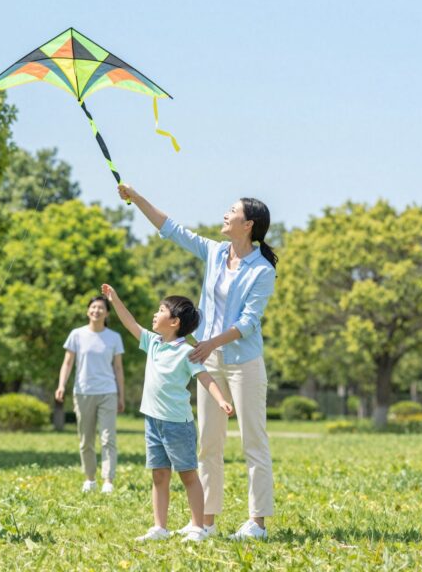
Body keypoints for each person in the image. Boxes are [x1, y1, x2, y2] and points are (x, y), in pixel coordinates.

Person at [118, 183, 277, 541]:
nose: (225, 214)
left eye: (232, 210)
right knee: (208, 442)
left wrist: (209, 344)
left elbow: (249, 323)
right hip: (208, 355)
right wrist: (137, 197)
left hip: (243, 360)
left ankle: (257, 523)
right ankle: (204, 522)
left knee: (253, 440)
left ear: (248, 223)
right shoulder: (216, 252)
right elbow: (171, 229)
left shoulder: (262, 270)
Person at [101, 283, 233, 543]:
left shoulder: (187, 351)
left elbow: (205, 378)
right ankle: (160, 527)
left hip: (177, 425)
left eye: (160, 310)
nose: (154, 313)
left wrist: (221, 400)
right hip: (153, 422)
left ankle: (198, 528)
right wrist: (114, 299)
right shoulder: (153, 342)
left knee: (187, 475)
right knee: (159, 474)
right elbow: (130, 323)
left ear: (174, 322)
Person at [55, 296, 125, 494]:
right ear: (88, 312)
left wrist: (121, 395)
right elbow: (67, 363)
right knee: (86, 439)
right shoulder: (76, 335)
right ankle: (90, 479)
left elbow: (118, 368)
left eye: (101, 307)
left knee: (108, 438)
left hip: (108, 392)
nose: (96, 310)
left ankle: (108, 480)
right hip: (83, 392)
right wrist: (61, 385)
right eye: (93, 307)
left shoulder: (114, 337)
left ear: (107, 313)